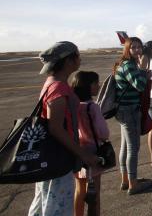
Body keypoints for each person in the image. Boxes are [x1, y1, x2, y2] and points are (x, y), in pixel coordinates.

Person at [29, 41, 99, 216]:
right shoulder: (58, 88)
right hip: (57, 157)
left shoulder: (53, 82)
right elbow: (56, 128)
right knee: (57, 207)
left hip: (52, 155)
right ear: (68, 61)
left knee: (45, 201)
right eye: (77, 55)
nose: (80, 59)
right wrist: (83, 154)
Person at [113, 37, 152, 195]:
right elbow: (140, 85)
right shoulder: (129, 65)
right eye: (133, 47)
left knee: (125, 147)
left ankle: (125, 180)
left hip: (124, 110)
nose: (137, 50)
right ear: (127, 49)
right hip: (129, 110)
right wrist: (143, 70)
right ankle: (133, 184)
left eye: (139, 47)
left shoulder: (126, 64)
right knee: (133, 148)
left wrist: (143, 72)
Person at [71, 71, 109, 216]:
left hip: (77, 151)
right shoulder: (92, 107)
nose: (98, 86)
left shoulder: (74, 105)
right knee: (94, 193)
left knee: (80, 190)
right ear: (88, 86)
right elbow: (103, 133)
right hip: (93, 152)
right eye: (95, 83)